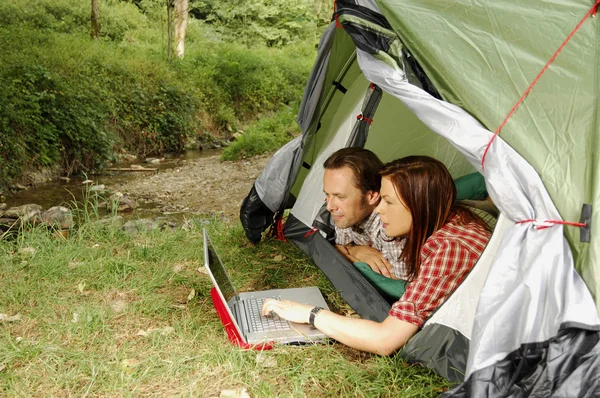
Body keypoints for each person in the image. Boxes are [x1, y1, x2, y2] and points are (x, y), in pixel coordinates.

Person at [262, 156, 492, 355]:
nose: (379, 208)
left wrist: (309, 314)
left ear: (420, 204)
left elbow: (385, 340)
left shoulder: (451, 248)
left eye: (388, 201)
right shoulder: (440, 221)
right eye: (381, 199)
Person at [323, 148, 407, 280]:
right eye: (327, 194)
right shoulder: (347, 214)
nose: (329, 207)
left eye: (340, 197)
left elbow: (399, 280)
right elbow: (341, 246)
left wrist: (349, 253)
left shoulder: (389, 224)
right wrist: (355, 250)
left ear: (372, 196)